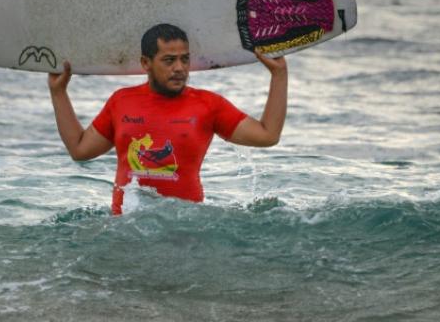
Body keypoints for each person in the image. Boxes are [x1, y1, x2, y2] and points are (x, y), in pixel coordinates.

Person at [48, 23, 288, 214]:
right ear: (146, 63)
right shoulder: (121, 101)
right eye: (169, 60)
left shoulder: (208, 105)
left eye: (185, 59)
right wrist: (58, 92)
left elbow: (267, 136)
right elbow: (80, 150)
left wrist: (279, 75)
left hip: (184, 228)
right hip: (126, 227)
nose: (180, 68)